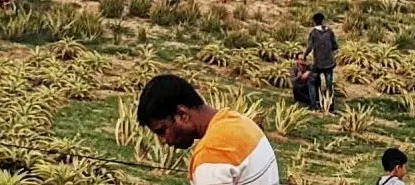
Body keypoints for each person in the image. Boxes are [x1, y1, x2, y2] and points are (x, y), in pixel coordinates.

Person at [135, 73, 279, 184]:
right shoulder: (241, 122)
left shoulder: (211, 153)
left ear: (182, 114)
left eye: (162, 131)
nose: (163, 141)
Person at [305, 12, 338, 112]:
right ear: (323, 20)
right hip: (329, 62)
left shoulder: (313, 33)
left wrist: (304, 55)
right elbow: (335, 45)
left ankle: (313, 105)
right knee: (329, 84)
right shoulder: (329, 31)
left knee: (311, 82)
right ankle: (330, 106)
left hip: (318, 63)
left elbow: (309, 47)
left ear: (314, 21)